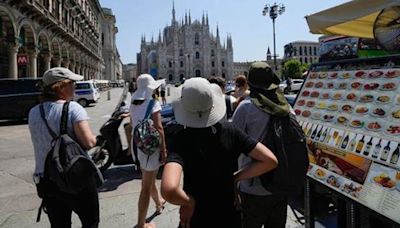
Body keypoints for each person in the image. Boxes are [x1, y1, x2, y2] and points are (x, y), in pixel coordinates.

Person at [161, 78, 278, 228]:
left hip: (197, 218)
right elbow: (270, 160)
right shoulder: (230, 131)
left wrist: (189, 202)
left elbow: (169, 189)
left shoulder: (181, 139)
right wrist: (235, 178)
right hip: (229, 216)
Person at [28, 67, 99, 228]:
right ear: (60, 87)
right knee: (90, 222)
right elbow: (88, 143)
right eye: (72, 83)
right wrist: (95, 139)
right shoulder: (73, 108)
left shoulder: (33, 112)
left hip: (47, 179)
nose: (75, 86)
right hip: (76, 176)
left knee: (59, 225)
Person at [232, 62, 292, 228]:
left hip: (252, 188)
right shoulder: (286, 107)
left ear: (250, 82)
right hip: (281, 185)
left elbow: (231, 148)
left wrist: (233, 184)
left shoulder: (245, 108)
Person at [130, 74, 168, 228]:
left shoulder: (133, 100)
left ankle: (158, 203)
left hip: (138, 144)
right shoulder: (153, 102)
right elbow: (159, 128)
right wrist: (163, 149)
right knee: (145, 187)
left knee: (148, 177)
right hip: (150, 147)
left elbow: (132, 123)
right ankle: (141, 224)